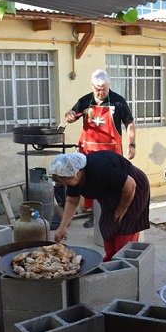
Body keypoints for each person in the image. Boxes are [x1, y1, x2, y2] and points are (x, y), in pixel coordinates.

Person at [65, 69, 136, 228]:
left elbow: (129, 124)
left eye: (104, 88)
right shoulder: (85, 101)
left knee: (113, 185)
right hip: (88, 153)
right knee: (88, 185)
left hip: (111, 154)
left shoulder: (118, 101)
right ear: (92, 86)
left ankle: (111, 212)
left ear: (109, 85)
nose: (101, 92)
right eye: (97, 89)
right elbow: (71, 115)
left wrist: (132, 144)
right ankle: (93, 215)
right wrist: (69, 115)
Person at [49, 151, 150, 262]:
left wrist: (122, 208)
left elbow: (130, 185)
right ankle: (110, 260)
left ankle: (123, 263)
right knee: (107, 226)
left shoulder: (99, 168)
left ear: (78, 173)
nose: (66, 185)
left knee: (124, 227)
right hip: (111, 192)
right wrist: (63, 226)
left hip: (133, 189)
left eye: (68, 182)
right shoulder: (73, 177)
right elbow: (72, 201)